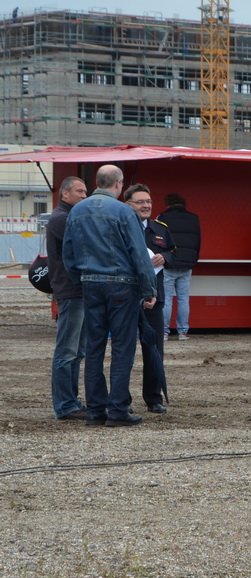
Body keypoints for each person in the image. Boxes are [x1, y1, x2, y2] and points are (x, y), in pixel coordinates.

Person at [63, 165, 156, 427]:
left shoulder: (77, 211)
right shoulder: (125, 212)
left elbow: (67, 253)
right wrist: (149, 289)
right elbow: (139, 253)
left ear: (97, 182)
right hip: (122, 286)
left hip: (90, 284)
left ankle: (95, 410)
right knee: (122, 348)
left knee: (93, 348)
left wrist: (79, 278)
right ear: (118, 184)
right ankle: (117, 409)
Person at [124, 183, 175, 414]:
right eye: (140, 202)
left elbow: (175, 252)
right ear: (128, 204)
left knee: (153, 351)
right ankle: (121, 400)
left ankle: (154, 398)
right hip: (126, 298)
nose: (146, 206)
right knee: (124, 350)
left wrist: (164, 257)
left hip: (155, 297)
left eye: (148, 202)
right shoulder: (121, 226)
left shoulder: (160, 228)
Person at [47, 176, 89, 420]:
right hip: (71, 291)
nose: (84, 196)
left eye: (85, 191)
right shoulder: (61, 219)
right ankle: (64, 405)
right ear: (65, 194)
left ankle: (71, 401)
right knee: (67, 351)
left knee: (77, 351)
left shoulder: (68, 217)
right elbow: (84, 245)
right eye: (79, 191)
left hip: (78, 291)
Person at [157, 193, 200, 341]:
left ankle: (164, 332)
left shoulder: (162, 217)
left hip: (169, 262)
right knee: (183, 299)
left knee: (166, 298)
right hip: (187, 263)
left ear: (168, 204)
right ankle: (183, 332)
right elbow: (197, 241)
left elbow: (158, 240)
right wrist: (193, 259)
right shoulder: (194, 218)